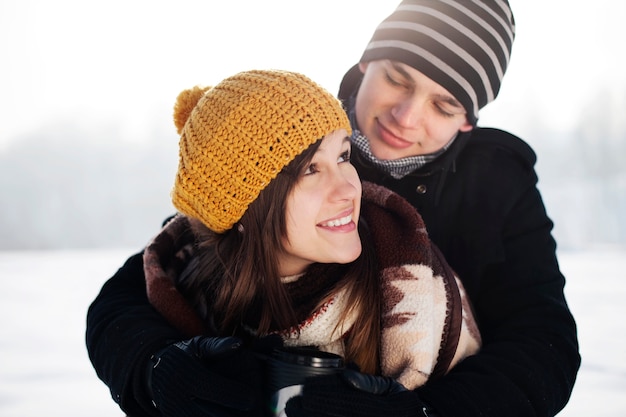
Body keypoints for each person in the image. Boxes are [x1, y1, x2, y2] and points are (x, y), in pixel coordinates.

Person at [87, 1, 580, 416]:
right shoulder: (294, 128)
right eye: (398, 78)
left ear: (469, 121)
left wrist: (421, 413)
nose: (405, 117)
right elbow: (151, 280)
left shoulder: (497, 183)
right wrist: (158, 370)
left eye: (443, 105)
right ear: (367, 62)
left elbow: (543, 344)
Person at [88, 69, 481, 417]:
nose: (348, 187)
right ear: (245, 210)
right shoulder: (188, 280)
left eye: (343, 156)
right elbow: (114, 311)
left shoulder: (417, 290)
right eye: (311, 169)